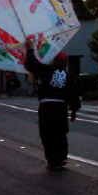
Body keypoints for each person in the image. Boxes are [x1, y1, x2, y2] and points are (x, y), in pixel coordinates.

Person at [24, 40, 81, 169]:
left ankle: (52, 160)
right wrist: (74, 111)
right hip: (61, 108)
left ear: (55, 61)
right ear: (65, 64)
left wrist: (29, 49)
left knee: (47, 133)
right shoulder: (68, 76)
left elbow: (33, 64)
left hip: (47, 107)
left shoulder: (47, 71)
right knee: (60, 133)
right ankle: (61, 158)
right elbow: (73, 95)